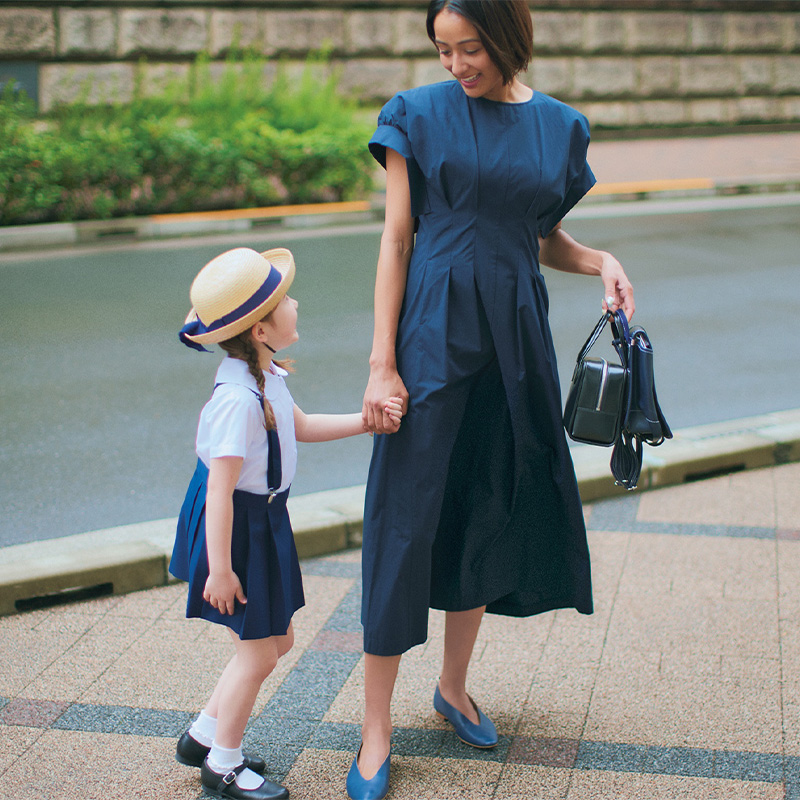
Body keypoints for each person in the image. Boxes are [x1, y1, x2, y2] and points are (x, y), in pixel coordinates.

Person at [350, 1, 635, 797]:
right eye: (442, 49)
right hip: (431, 336)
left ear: (508, 39)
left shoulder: (561, 127)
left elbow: (538, 236)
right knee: (404, 521)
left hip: (516, 339)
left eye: (468, 48)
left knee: (487, 504)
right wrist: (382, 364)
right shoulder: (416, 114)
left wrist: (600, 259)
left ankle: (451, 686)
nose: (454, 64)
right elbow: (398, 235)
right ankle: (374, 730)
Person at [169, 246, 402, 800]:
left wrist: (370, 422)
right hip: (237, 531)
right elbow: (221, 493)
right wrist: (221, 571)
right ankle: (222, 766)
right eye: (283, 300)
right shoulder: (237, 399)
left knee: (276, 641)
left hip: (262, 521)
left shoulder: (266, 374)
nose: (294, 303)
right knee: (259, 649)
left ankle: (203, 737)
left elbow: (300, 427)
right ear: (259, 330)